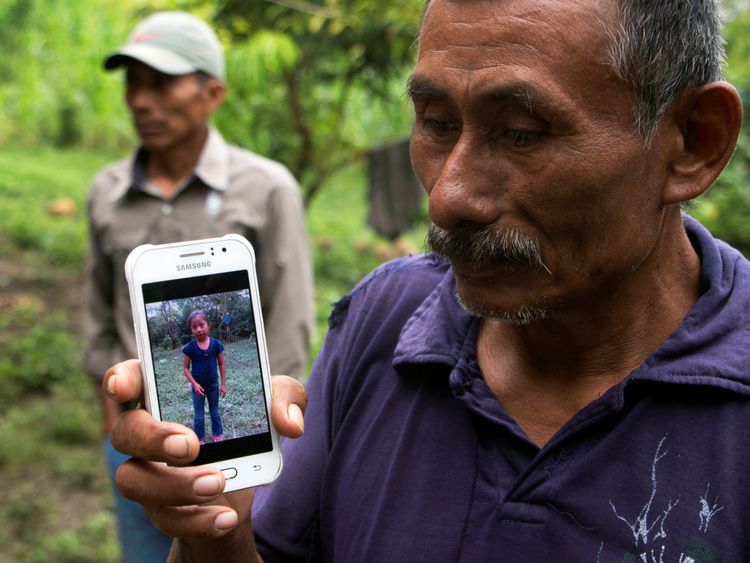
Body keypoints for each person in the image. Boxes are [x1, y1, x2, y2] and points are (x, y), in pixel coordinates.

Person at [105, 0, 750, 561]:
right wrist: (217, 534)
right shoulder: (384, 319)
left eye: (521, 133)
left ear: (694, 141)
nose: (448, 198)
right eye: (437, 123)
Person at [83, 10, 314, 562]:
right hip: (137, 439)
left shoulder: (265, 188)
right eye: (134, 84)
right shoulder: (107, 191)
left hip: (240, 450)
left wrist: (267, 430)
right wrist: (109, 411)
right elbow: (99, 307)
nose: (141, 100)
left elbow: (289, 320)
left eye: (161, 83)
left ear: (213, 93)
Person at [182, 310, 226, 444]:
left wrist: (223, 384)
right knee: (199, 416)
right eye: (194, 327)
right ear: (191, 329)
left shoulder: (216, 344)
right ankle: (199, 440)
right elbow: (185, 368)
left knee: (214, 412)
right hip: (198, 389)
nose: (198, 329)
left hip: (213, 386)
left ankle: (217, 435)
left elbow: (221, 364)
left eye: (201, 325)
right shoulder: (189, 348)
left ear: (208, 325)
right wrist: (194, 384)